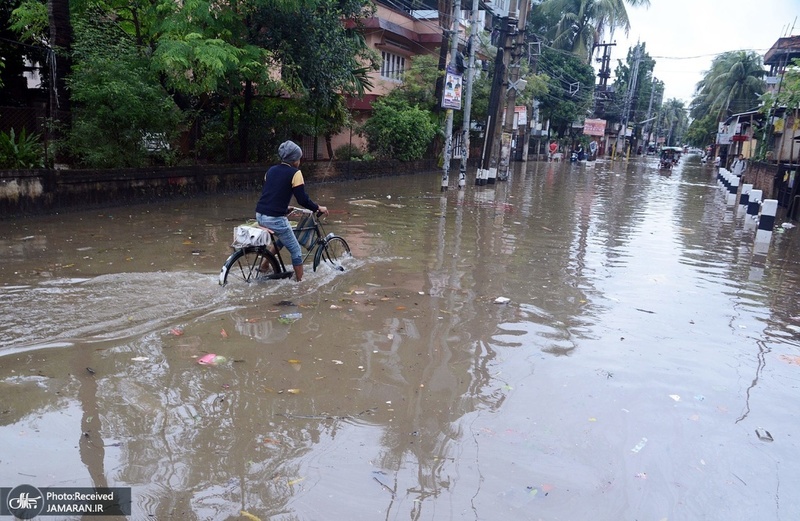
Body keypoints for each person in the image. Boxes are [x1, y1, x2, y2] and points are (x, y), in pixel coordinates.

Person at [255, 140, 328, 282]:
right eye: (299, 158)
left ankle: (264, 266)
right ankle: (301, 284)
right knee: (296, 251)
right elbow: (302, 199)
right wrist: (318, 207)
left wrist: (284, 208)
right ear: (294, 160)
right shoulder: (296, 173)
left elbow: (273, 193)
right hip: (275, 218)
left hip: (260, 214)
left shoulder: (270, 171)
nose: (300, 161)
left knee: (284, 238)